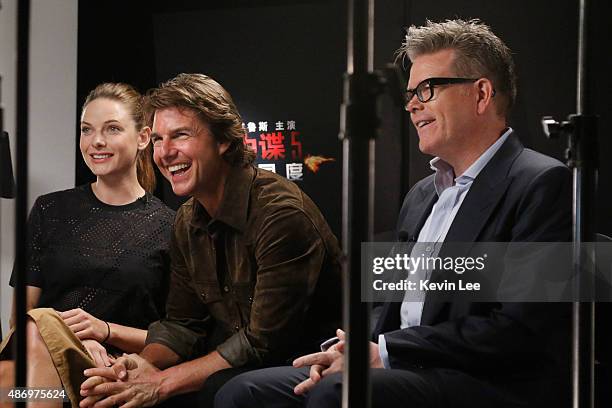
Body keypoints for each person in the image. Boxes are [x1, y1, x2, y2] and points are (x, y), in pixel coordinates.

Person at [214, 18, 572, 408]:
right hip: (400, 367)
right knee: (242, 392)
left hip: (484, 380)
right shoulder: (419, 196)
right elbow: (384, 308)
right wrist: (346, 351)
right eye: (410, 93)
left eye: (428, 89)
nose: (412, 104)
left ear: (481, 94)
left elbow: (522, 330)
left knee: (337, 395)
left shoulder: (546, 182)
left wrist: (385, 351)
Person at [79, 73, 342, 407]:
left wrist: (161, 383)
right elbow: (181, 324)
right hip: (241, 363)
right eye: (158, 139)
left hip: (308, 363)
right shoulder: (187, 220)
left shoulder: (280, 214)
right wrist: (145, 364)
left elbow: (263, 342)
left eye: (181, 136)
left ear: (223, 140)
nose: (165, 152)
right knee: (114, 387)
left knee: (212, 391)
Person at [0, 83, 175, 407]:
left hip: (118, 368)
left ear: (142, 138)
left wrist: (104, 332)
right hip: (41, 359)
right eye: (86, 130)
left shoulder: (171, 227)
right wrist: (72, 342)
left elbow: (175, 337)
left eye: (112, 129)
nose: (96, 142)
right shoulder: (49, 210)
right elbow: (20, 318)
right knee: (13, 369)